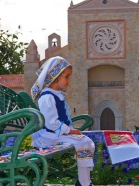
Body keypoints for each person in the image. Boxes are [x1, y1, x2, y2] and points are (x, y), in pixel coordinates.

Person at [30, 56, 95, 186]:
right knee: (83, 142)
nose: (69, 80)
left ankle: (84, 181)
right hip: (48, 135)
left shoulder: (57, 94)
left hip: (56, 134)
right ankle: (84, 182)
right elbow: (51, 122)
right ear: (55, 76)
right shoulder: (47, 96)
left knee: (86, 142)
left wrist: (69, 131)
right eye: (66, 76)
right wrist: (69, 130)